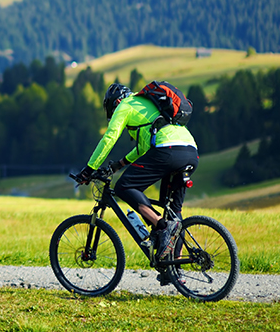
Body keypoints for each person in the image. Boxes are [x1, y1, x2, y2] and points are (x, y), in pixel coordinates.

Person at [73, 82, 198, 265]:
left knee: (124, 187)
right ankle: (174, 264)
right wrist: (118, 164)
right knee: (172, 209)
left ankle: (161, 226)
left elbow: (110, 137)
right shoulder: (148, 105)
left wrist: (90, 168)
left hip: (168, 150)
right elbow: (142, 148)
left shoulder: (125, 105)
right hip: (191, 151)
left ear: (113, 104)